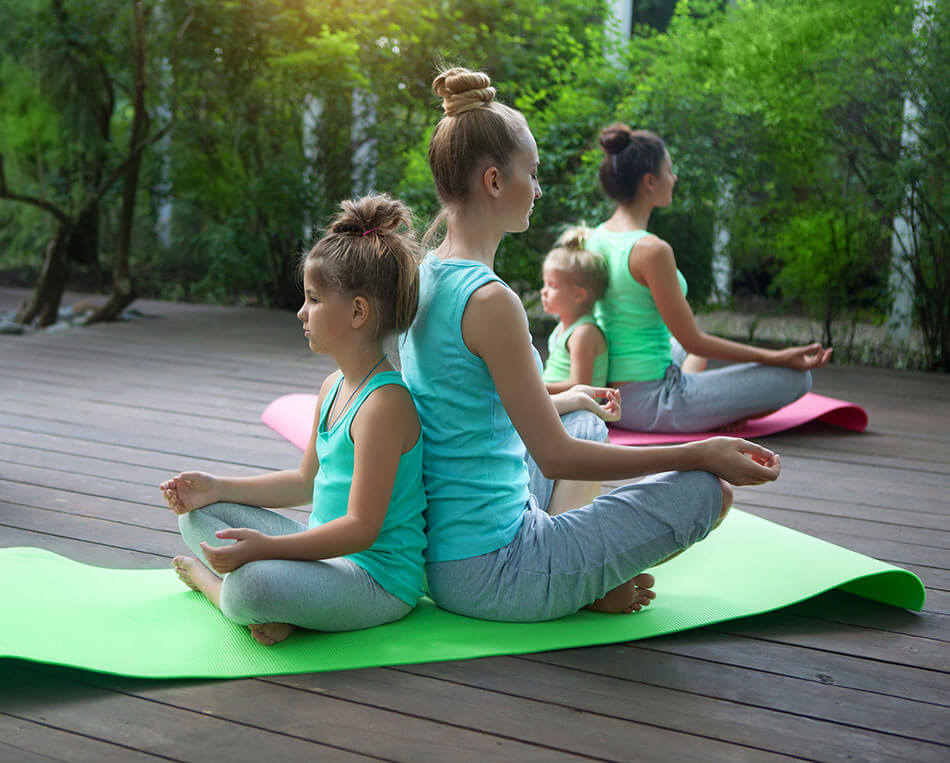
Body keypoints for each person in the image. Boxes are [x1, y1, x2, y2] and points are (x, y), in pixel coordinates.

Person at [399, 66, 782, 623]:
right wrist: (702, 450)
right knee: (707, 491)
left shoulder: (426, 272)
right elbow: (555, 457)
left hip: (446, 557)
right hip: (499, 572)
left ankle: (589, 572)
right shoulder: (491, 302)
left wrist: (570, 396)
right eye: (532, 174)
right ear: (492, 182)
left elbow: (458, 407)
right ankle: (586, 580)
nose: (538, 187)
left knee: (584, 420)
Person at [159, 194, 427, 646]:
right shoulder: (332, 386)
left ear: (359, 312)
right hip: (323, 551)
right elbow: (305, 482)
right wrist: (217, 487)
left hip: (375, 581)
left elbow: (362, 529)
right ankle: (291, 608)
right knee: (199, 516)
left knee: (251, 586)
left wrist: (268, 550)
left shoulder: (385, 405)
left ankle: (218, 590)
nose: (302, 313)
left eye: (314, 300)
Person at [588, 124, 832, 433]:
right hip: (651, 402)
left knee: (683, 346)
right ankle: (711, 408)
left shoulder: (596, 236)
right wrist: (779, 357)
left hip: (613, 391)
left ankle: (711, 402)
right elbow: (695, 340)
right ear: (650, 181)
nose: (674, 178)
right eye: (669, 170)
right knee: (796, 378)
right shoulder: (650, 250)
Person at [540, 225, 611, 393]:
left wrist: (537, 389)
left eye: (552, 285)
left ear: (579, 295)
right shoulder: (562, 328)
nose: (543, 291)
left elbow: (580, 385)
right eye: (544, 284)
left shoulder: (583, 333)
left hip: (578, 410)